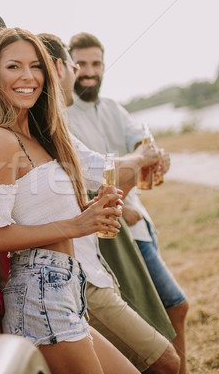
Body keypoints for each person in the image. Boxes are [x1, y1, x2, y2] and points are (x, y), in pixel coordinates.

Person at [0, 27, 139, 373]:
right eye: (14, 67)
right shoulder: (1, 140)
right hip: (39, 290)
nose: (28, 77)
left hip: (66, 284)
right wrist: (76, 225)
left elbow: (43, 208)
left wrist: (91, 211)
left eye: (36, 66)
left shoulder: (41, 135)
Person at [38, 32, 180, 374]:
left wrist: (148, 157)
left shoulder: (73, 119)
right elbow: (104, 175)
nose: (83, 71)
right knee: (165, 360)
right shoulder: (51, 125)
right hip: (78, 276)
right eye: (77, 64)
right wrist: (141, 158)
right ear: (61, 68)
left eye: (94, 63)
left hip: (91, 265)